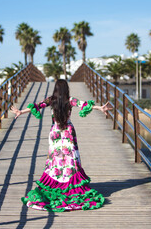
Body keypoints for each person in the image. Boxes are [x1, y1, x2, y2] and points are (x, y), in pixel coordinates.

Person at [10, 79, 111, 212]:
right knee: (71, 160)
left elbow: (36, 106)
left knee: (55, 160)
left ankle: (56, 181)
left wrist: (21, 112)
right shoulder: (70, 100)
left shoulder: (51, 100)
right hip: (68, 132)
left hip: (56, 133)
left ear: (56, 89)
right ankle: (70, 184)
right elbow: (84, 104)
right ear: (66, 89)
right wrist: (100, 107)